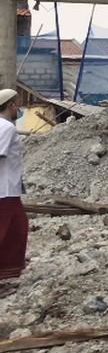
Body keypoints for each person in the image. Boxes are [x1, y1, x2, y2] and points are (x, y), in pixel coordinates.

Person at [0, 88, 26, 296]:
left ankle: (7, 274)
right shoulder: (7, 128)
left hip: (9, 189)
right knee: (7, 233)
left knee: (17, 229)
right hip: (4, 190)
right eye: (16, 104)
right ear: (10, 106)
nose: (18, 108)